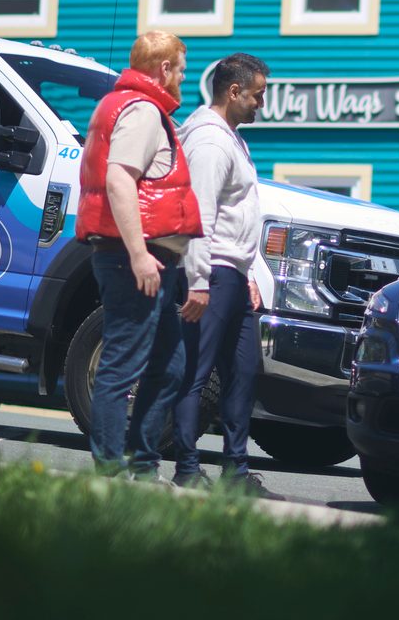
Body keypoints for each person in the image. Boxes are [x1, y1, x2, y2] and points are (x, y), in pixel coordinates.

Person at [75, 30, 202, 480]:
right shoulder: (143, 110)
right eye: (181, 70)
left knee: (169, 365)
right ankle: (111, 470)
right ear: (163, 69)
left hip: (151, 259)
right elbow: (119, 180)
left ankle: (144, 466)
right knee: (121, 364)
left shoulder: (125, 105)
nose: (183, 79)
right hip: (137, 259)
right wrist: (138, 254)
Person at [174, 52, 279, 497]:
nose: (261, 104)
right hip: (210, 272)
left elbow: (239, 216)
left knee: (244, 371)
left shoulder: (232, 140)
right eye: (257, 95)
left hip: (233, 274)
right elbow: (200, 216)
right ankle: (185, 468)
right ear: (234, 92)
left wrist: (248, 272)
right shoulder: (211, 143)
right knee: (195, 372)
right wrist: (198, 280)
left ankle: (235, 472)